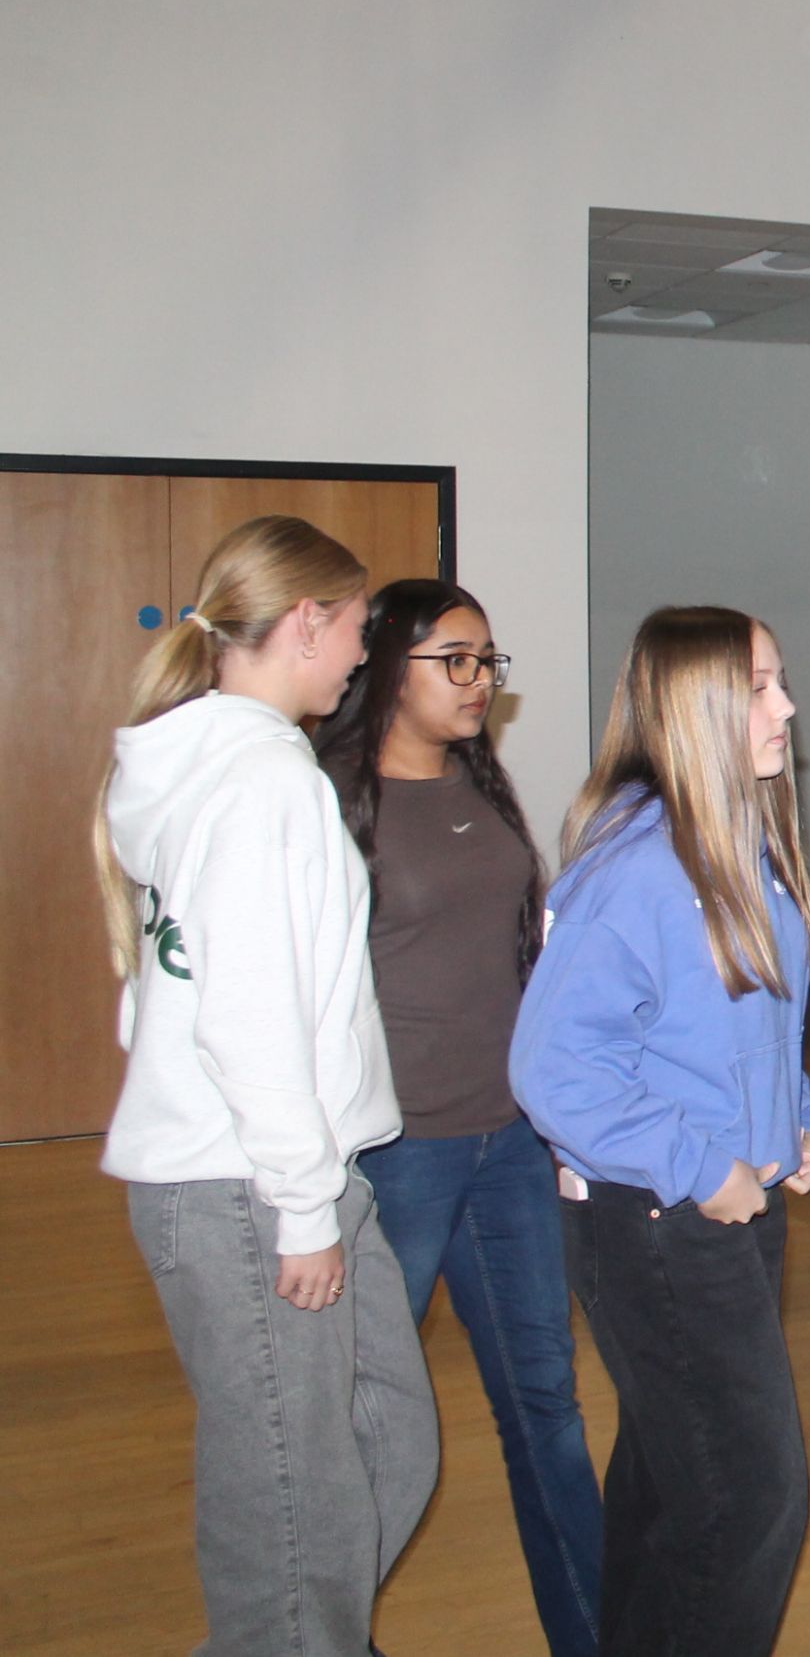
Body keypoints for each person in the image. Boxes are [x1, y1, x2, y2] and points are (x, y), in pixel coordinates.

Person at [96, 514, 441, 1655]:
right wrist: (300, 1204)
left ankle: (292, 1634)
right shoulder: (258, 779)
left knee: (388, 1440)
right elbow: (246, 1014)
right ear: (304, 622)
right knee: (292, 1505)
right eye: (354, 629)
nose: (360, 655)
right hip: (249, 1185)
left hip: (289, 1171)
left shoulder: (218, 763)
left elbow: (165, 985)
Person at [509, 606, 810, 1657]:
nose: (786, 707)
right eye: (759, 687)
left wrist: (799, 1118)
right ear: (694, 708)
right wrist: (700, 1165)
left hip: (723, 1204)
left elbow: (749, 1019)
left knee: (672, 1484)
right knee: (749, 1500)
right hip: (659, 1217)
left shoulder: (736, 842)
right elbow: (554, 1068)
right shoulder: (639, 867)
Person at [315, 578, 602, 1655]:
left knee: (546, 1408)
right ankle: (316, 1632)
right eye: (457, 660)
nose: (480, 680)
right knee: (364, 1422)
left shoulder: (479, 785)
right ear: (390, 666)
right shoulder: (331, 798)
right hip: (398, 1152)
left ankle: (595, 1634)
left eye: (488, 660)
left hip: (510, 1144)